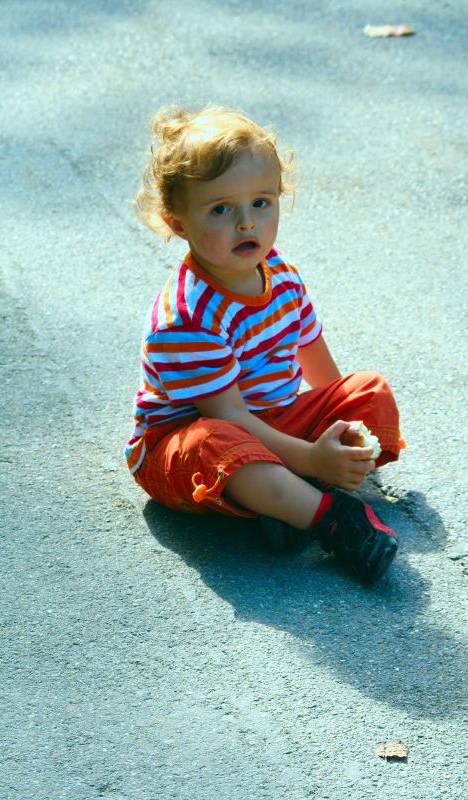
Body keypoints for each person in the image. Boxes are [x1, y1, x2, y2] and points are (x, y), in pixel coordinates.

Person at [125, 105, 405, 581]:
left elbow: (313, 353)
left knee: (369, 392)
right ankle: (330, 517)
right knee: (222, 444)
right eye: (220, 209)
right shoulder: (187, 317)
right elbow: (228, 417)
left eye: (261, 202)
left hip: (272, 423)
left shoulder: (281, 274)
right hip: (187, 444)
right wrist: (314, 456)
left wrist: (338, 430)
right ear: (178, 224)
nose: (247, 223)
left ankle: (289, 497)